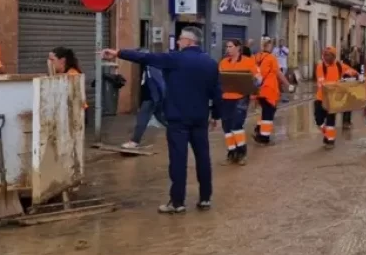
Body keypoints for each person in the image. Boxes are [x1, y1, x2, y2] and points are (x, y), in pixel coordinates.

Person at [102, 26, 222, 214]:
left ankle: (177, 202)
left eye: (181, 39)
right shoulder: (210, 63)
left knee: (178, 160)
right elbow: (217, 92)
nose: (179, 42)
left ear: (189, 42)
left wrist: (118, 53)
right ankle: (205, 198)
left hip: (177, 119)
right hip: (199, 118)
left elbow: (146, 57)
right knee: (203, 158)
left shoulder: (175, 59)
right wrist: (216, 115)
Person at [110, 48, 166, 149]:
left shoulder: (150, 67)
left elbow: (158, 84)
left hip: (151, 98)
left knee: (142, 120)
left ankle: (134, 141)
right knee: (162, 119)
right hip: (154, 98)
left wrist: (156, 99)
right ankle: (181, 132)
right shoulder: (147, 67)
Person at [219, 39, 261, 165]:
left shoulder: (248, 62)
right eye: (227, 46)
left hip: (240, 98)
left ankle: (242, 153)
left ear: (238, 48)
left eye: (230, 46)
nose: (228, 49)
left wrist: (254, 86)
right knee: (226, 127)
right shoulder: (223, 62)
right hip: (225, 98)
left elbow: (259, 78)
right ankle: (232, 154)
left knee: (236, 125)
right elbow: (218, 79)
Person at [314, 46, 357, 149]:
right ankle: (328, 135)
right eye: (324, 54)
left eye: (327, 55)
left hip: (333, 99)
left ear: (333, 56)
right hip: (321, 98)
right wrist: (336, 85)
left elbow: (352, 71)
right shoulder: (320, 67)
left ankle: (330, 141)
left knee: (330, 120)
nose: (325, 56)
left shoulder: (339, 66)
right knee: (318, 120)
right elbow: (321, 83)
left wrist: (353, 75)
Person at [254, 37, 288, 144]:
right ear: (269, 46)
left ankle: (259, 129)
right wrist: (287, 84)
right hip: (269, 90)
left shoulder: (256, 57)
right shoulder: (271, 58)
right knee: (269, 112)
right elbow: (278, 73)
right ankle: (264, 137)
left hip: (258, 90)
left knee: (265, 111)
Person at [48, 46, 89, 114]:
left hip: (77, 112)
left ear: (62, 60)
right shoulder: (60, 74)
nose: (50, 63)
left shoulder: (72, 74)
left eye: (52, 60)